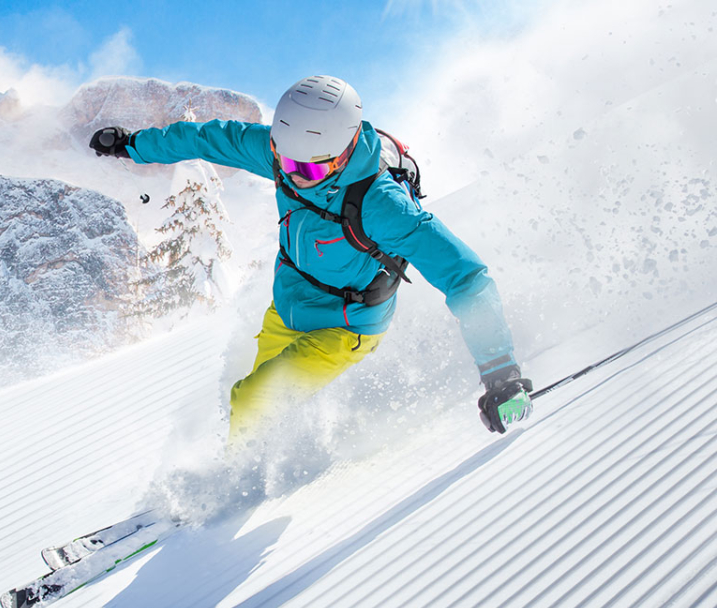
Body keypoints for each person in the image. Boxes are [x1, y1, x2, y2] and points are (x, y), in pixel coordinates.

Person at [88, 75, 532, 446]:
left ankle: (232, 484)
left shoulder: (382, 205)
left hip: (344, 326)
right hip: (287, 307)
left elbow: (465, 277)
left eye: (313, 169)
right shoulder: (285, 156)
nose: (296, 176)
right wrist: (133, 146)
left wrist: (501, 373)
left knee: (252, 399)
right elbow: (208, 138)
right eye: (285, 160)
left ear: (345, 150)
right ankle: (253, 456)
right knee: (256, 397)